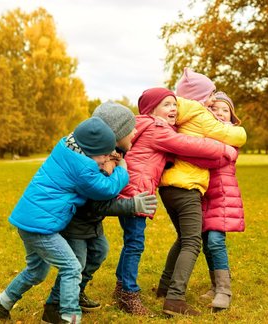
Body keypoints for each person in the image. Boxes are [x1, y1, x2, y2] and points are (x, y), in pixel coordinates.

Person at [0, 116, 130, 324]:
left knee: (36, 271)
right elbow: (106, 189)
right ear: (90, 150)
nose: (107, 158)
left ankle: (1, 304)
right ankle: (69, 317)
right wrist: (122, 169)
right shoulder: (82, 168)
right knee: (72, 267)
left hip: (30, 221)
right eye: (105, 155)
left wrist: (105, 160)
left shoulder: (67, 147)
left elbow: (94, 165)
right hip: (41, 227)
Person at [113, 87, 237, 315]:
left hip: (138, 190)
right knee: (183, 242)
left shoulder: (144, 125)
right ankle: (161, 298)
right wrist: (224, 149)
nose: (173, 109)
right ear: (152, 110)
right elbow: (190, 145)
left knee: (139, 241)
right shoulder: (158, 128)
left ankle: (143, 287)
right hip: (142, 193)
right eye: (167, 105)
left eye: (174, 104)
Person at [42, 101, 158, 321]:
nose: (135, 131)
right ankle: (54, 305)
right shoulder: (98, 162)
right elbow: (97, 202)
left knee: (99, 252)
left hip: (92, 222)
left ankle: (77, 292)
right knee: (76, 263)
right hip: (76, 222)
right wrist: (132, 205)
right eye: (129, 128)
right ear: (115, 134)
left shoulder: (114, 155)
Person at [156, 68, 247, 316]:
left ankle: (173, 288)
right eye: (211, 99)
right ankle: (176, 297)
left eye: (223, 109)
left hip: (194, 190)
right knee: (194, 241)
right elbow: (233, 136)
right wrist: (230, 141)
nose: (214, 107)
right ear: (201, 97)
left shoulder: (177, 116)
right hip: (190, 187)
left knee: (194, 239)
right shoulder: (199, 115)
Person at [199, 92, 245, 311]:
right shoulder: (203, 133)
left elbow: (214, 156)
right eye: (214, 108)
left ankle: (224, 290)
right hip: (202, 194)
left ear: (232, 116)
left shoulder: (233, 135)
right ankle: (215, 284)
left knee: (216, 240)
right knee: (207, 242)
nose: (219, 113)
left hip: (223, 194)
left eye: (224, 110)